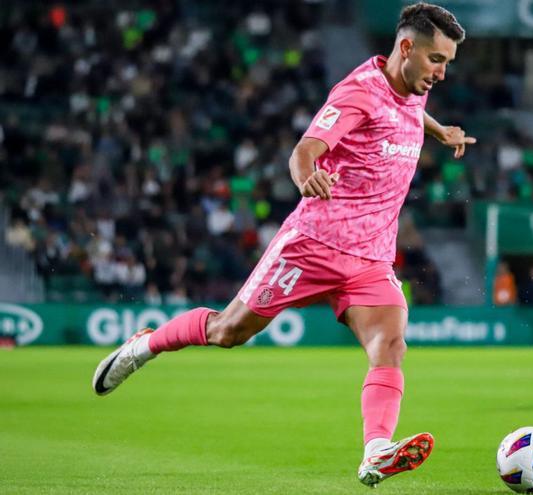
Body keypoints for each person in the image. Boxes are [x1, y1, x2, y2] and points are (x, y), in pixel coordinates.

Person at [91, 3, 475, 487]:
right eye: (437, 60)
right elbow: (306, 149)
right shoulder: (358, 92)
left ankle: (376, 450)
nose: (442, 73)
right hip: (313, 245)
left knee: (390, 344)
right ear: (406, 48)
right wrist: (306, 177)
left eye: (447, 63)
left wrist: (439, 130)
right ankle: (144, 346)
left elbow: (408, 112)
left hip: (372, 256)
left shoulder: (412, 88)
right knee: (228, 331)